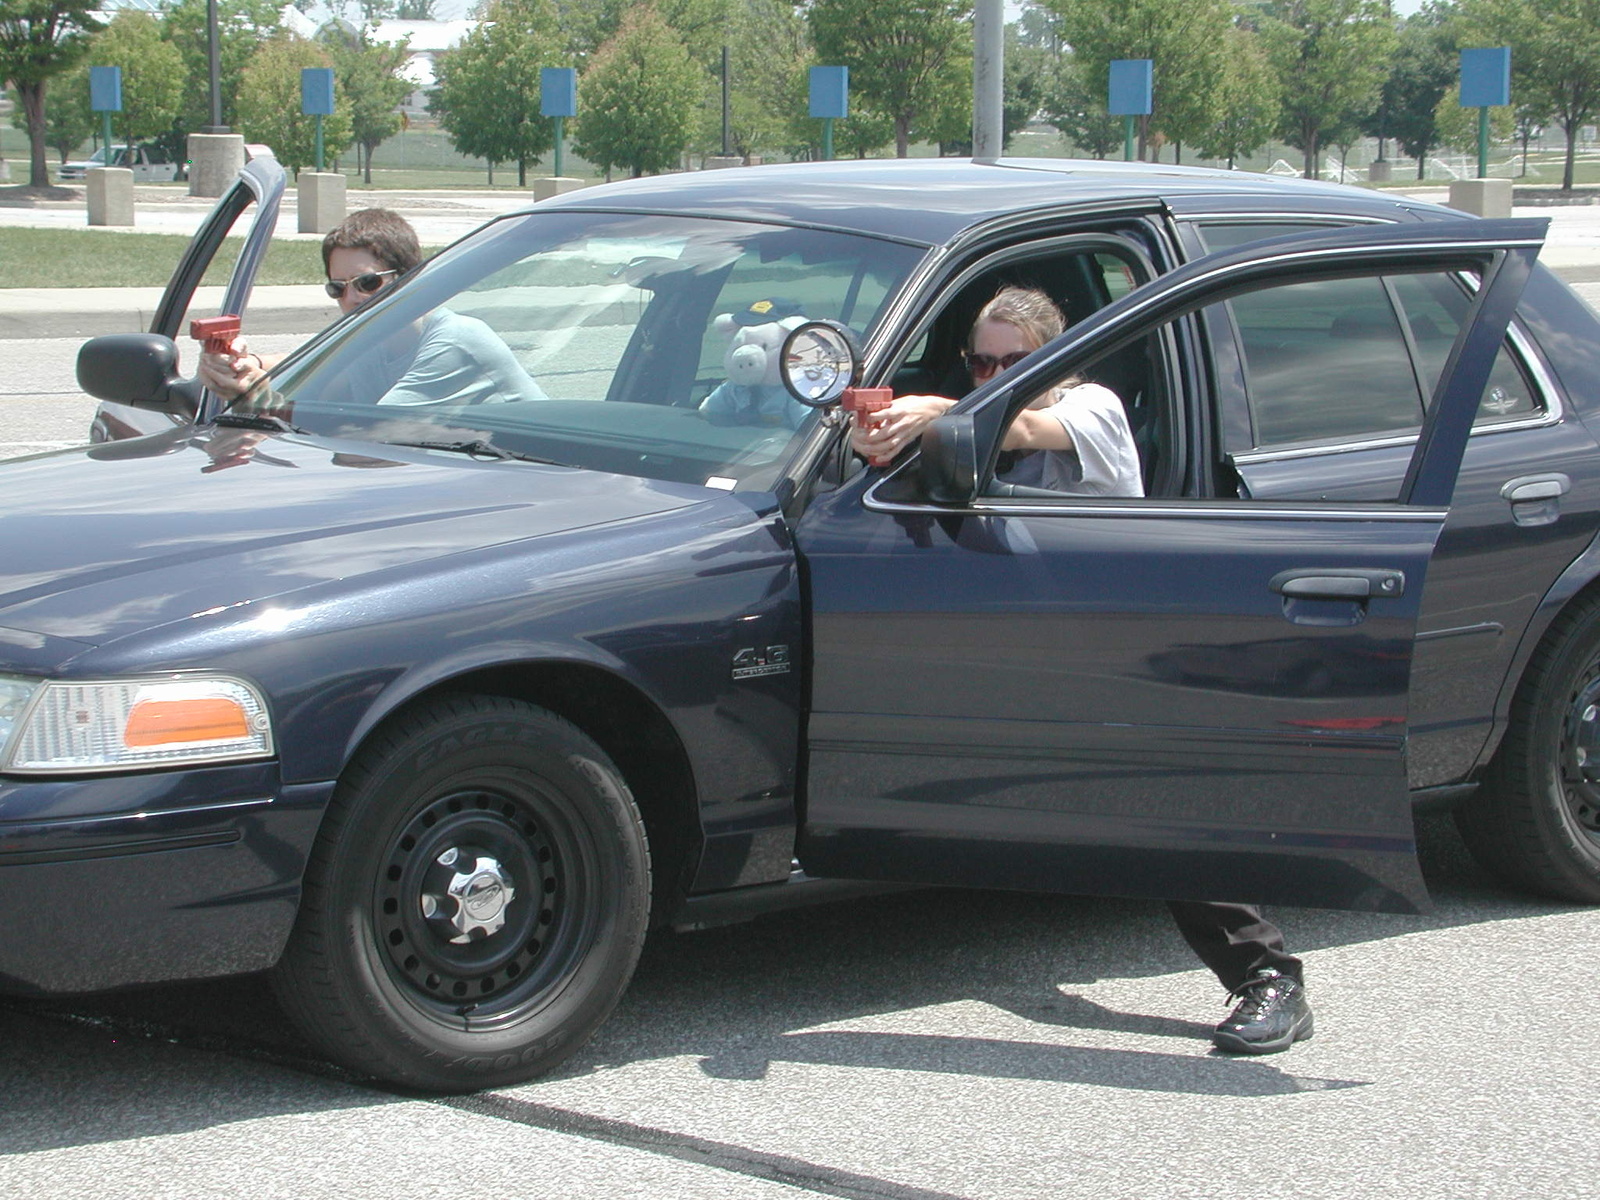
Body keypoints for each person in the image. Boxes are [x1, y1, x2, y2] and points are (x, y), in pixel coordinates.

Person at [855, 284, 1312, 1055]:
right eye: (980, 361)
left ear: (1056, 363)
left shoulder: (1089, 409)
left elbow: (1025, 425)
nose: (993, 373)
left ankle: (1269, 979)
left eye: (1014, 360)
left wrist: (934, 411)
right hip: (1007, 638)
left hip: (1102, 644)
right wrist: (881, 440)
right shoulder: (968, 425)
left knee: (1150, 811)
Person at [200, 207, 545, 407]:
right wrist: (243, 365)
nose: (351, 300)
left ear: (411, 278)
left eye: (367, 283)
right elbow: (314, 368)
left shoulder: (454, 343)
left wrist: (256, 394)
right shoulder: (370, 336)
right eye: (337, 288)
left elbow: (367, 433)